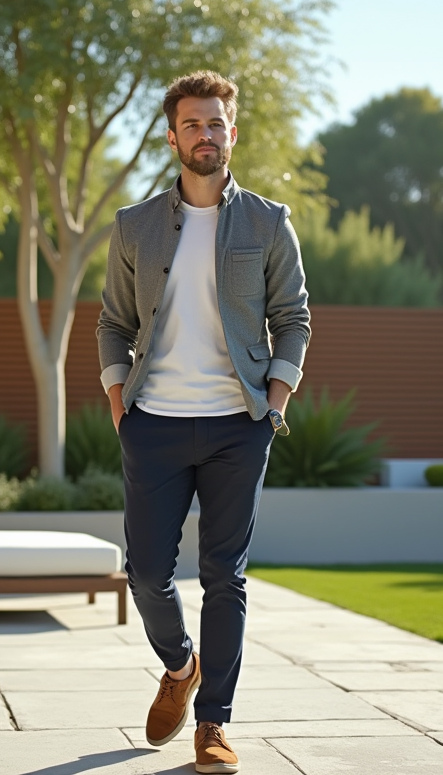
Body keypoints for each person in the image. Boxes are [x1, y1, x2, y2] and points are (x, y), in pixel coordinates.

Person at [96, 70, 311, 774]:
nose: (205, 134)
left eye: (216, 123)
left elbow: (293, 319)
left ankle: (213, 723)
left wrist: (274, 403)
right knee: (148, 572)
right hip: (153, 421)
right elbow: (113, 321)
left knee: (226, 575)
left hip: (237, 424)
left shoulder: (269, 222)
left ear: (233, 132)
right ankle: (179, 666)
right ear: (172, 136)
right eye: (192, 124)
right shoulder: (135, 226)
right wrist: (118, 400)